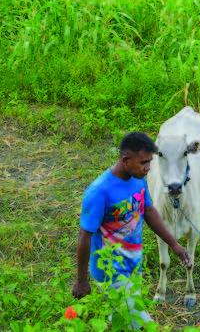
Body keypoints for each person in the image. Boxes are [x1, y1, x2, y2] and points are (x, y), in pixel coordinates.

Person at [73, 131, 191, 323]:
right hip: (111, 269)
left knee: (118, 319)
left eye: (150, 162)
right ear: (125, 160)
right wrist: (81, 279)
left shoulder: (137, 179)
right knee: (143, 324)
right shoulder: (99, 191)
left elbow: (149, 211)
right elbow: (84, 237)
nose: (148, 168)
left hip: (133, 264)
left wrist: (175, 246)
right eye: (144, 162)